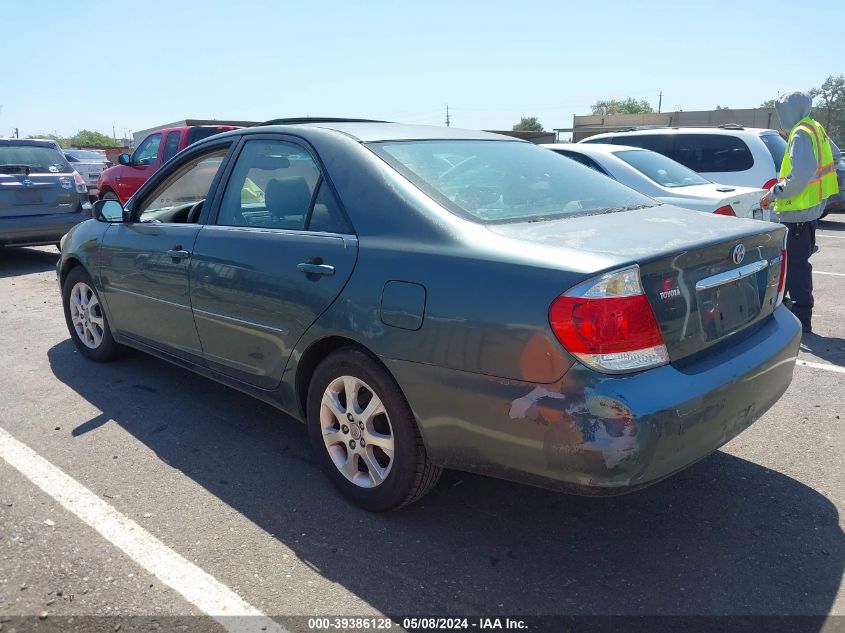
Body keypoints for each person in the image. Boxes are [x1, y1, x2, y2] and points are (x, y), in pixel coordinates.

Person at [760, 90, 841, 333]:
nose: (780, 116)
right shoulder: (814, 127)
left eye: (781, 111)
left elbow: (799, 178)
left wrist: (773, 192)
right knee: (795, 265)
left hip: (798, 214)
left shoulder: (800, 133)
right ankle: (793, 312)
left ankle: (801, 317)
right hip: (810, 212)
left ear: (789, 110)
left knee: (795, 267)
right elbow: (835, 157)